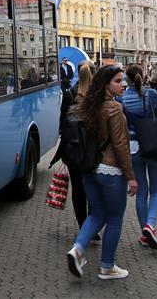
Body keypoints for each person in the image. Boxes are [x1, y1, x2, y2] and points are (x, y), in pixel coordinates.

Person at [66, 64, 137, 280]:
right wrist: (132, 176)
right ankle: (107, 266)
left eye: (123, 80)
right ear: (106, 84)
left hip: (90, 169)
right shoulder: (114, 109)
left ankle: (77, 250)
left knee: (97, 213)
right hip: (111, 170)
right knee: (114, 218)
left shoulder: (88, 105)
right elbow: (121, 146)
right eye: (117, 80)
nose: (122, 84)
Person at [119, 64, 157, 250]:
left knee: (141, 192)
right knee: (156, 191)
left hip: (133, 148)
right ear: (142, 76)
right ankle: (150, 224)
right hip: (154, 144)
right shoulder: (151, 94)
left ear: (127, 79)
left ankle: (145, 234)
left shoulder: (121, 98)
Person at [52, 62, 98, 235]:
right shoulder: (97, 95)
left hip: (73, 147)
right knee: (93, 188)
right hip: (93, 150)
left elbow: (62, 122)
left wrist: (64, 148)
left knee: (78, 189)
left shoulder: (69, 94)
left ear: (77, 74)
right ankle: (93, 225)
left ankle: (83, 225)